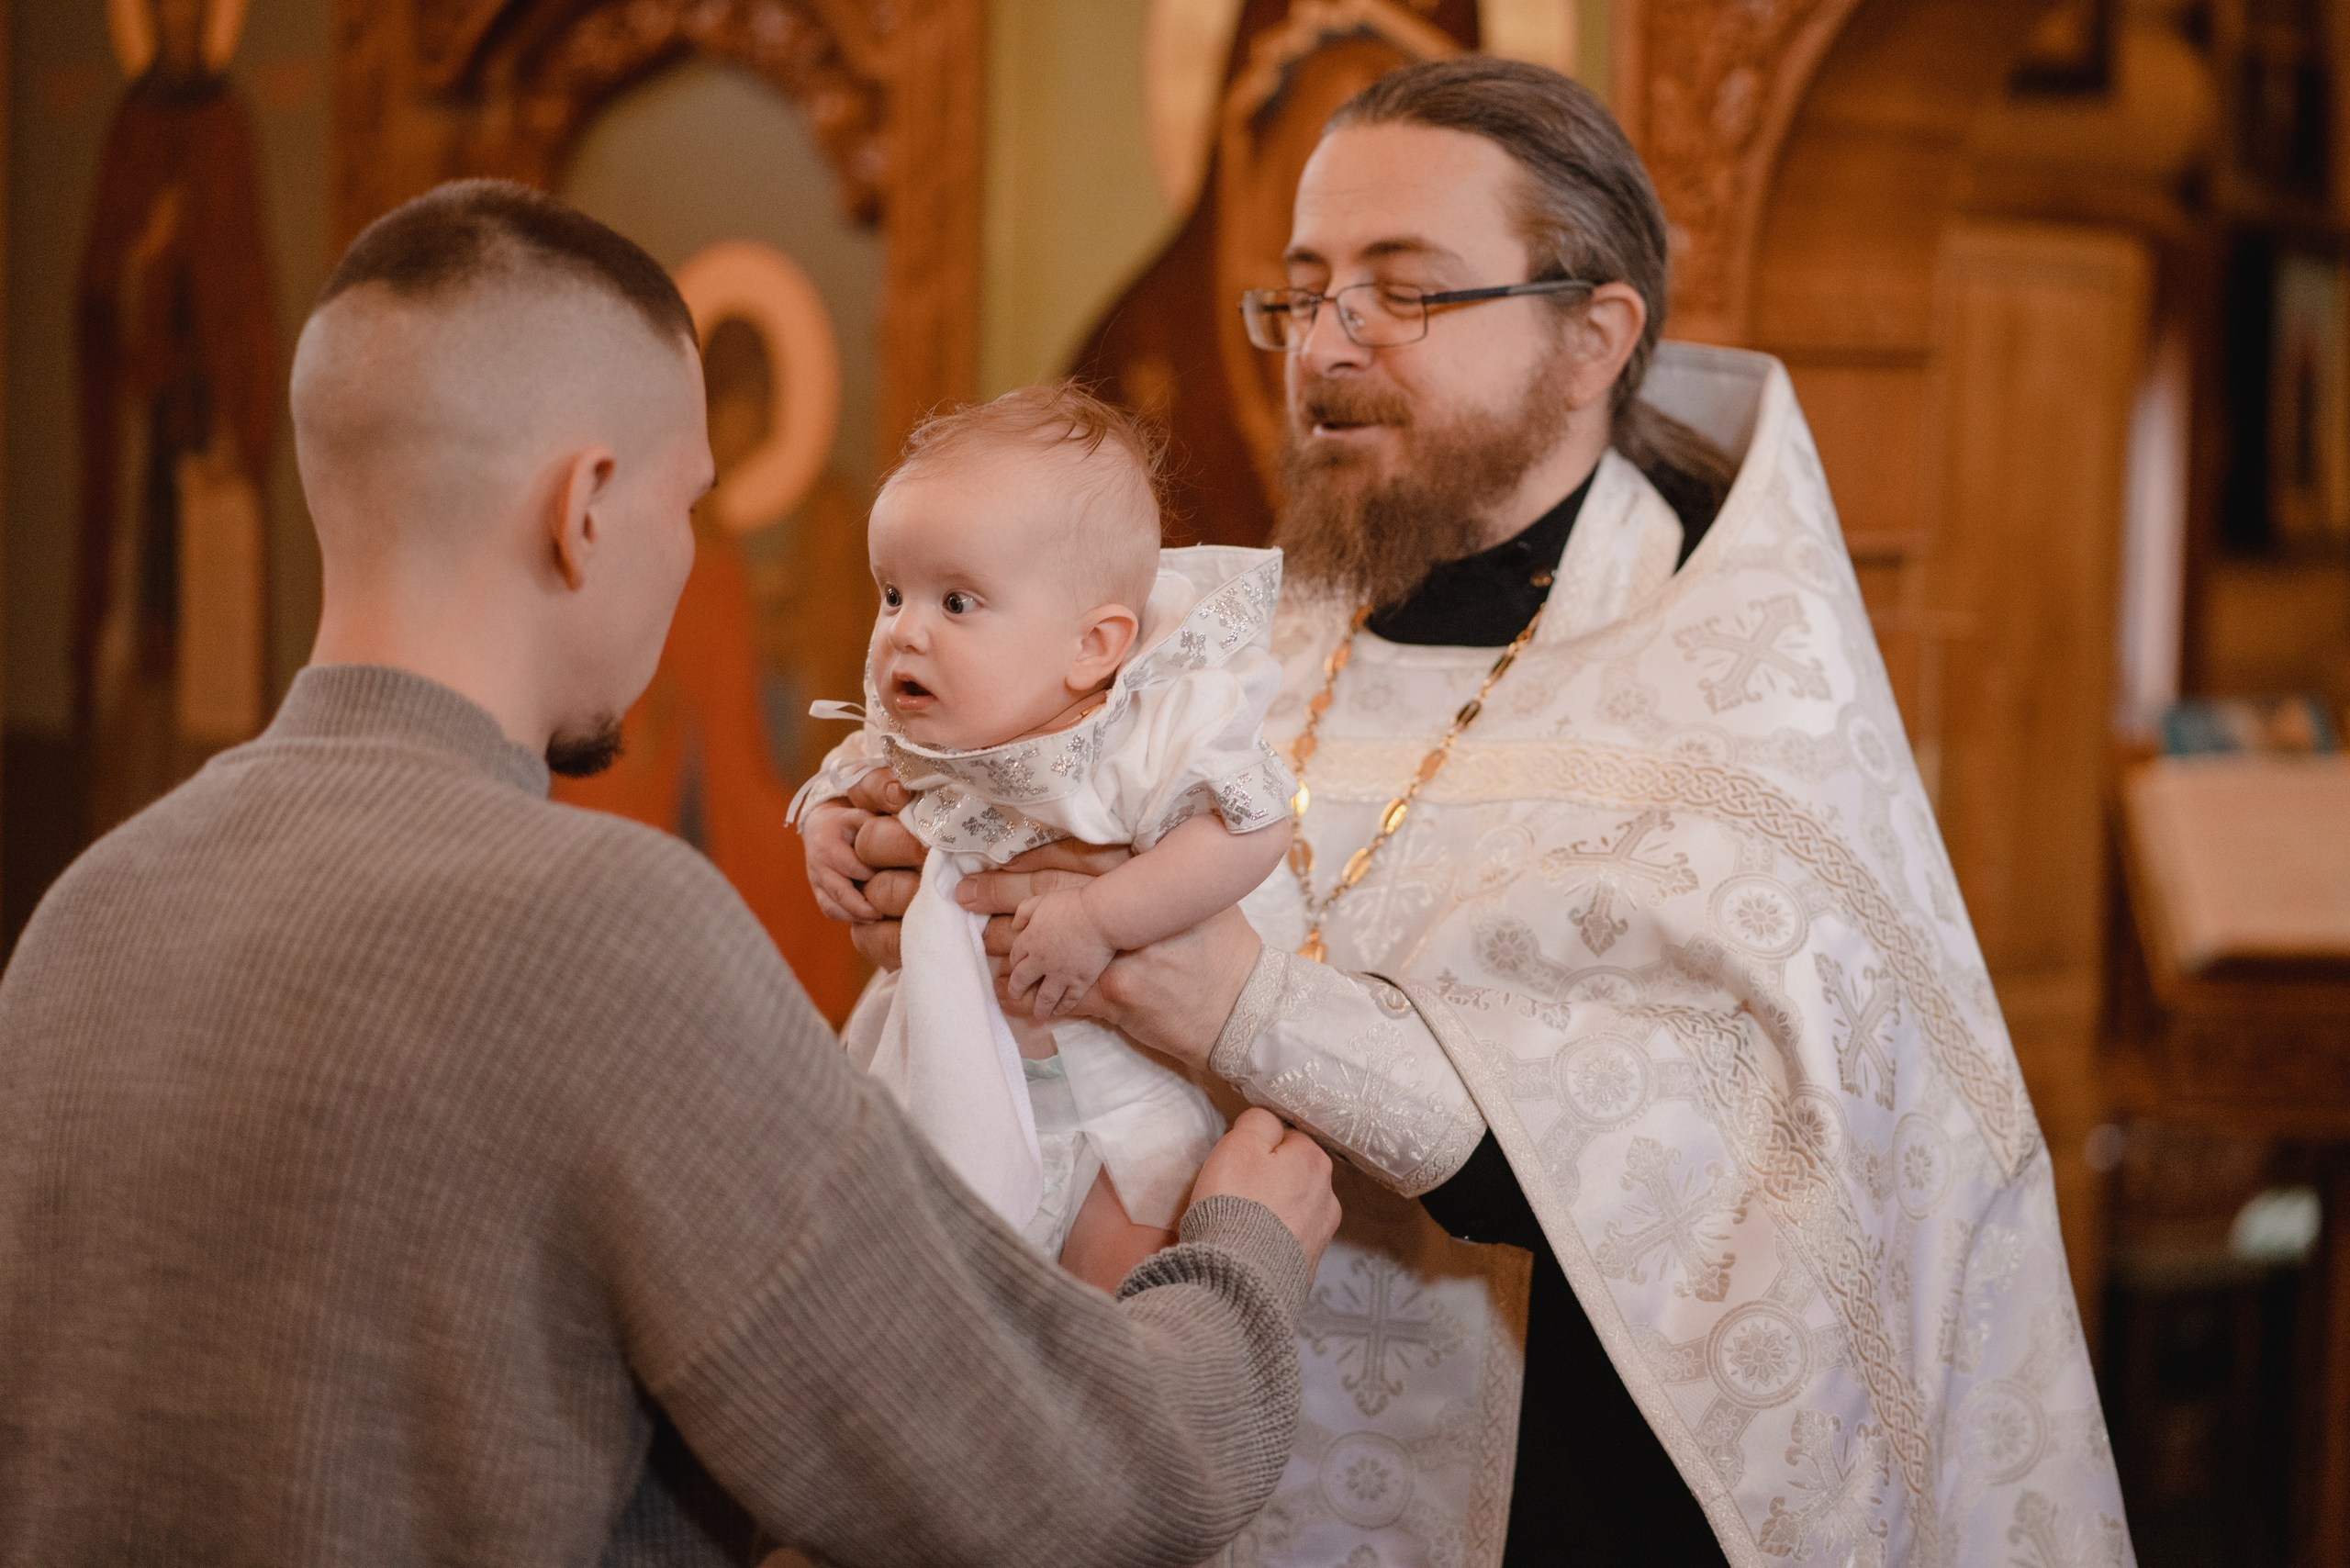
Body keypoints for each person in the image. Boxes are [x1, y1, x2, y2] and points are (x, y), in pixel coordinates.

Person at [806, 58, 2136, 1567]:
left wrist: (1234, 1000)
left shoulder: (1731, 697)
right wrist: (888, 839)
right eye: (1305, 293)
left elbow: (1682, 1174)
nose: (1330, 343)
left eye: (1406, 294)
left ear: (1593, 335)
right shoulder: (1199, 619)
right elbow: (971, 777)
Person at [0, 179, 1341, 1568]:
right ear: (586, 510)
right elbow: (1058, 1483)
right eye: (688, 504)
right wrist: (1241, 1255)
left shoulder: (90, 914)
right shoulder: (605, 935)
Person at [792, 384, 1294, 1287]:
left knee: (1104, 1310)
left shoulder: (1136, 735)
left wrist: (1102, 917)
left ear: (1093, 646)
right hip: (937, 1071)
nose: (904, 632)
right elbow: (852, 766)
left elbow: (1250, 827)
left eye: (957, 603)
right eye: (893, 593)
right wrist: (825, 824)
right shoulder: (924, 729)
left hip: (1113, 1107)